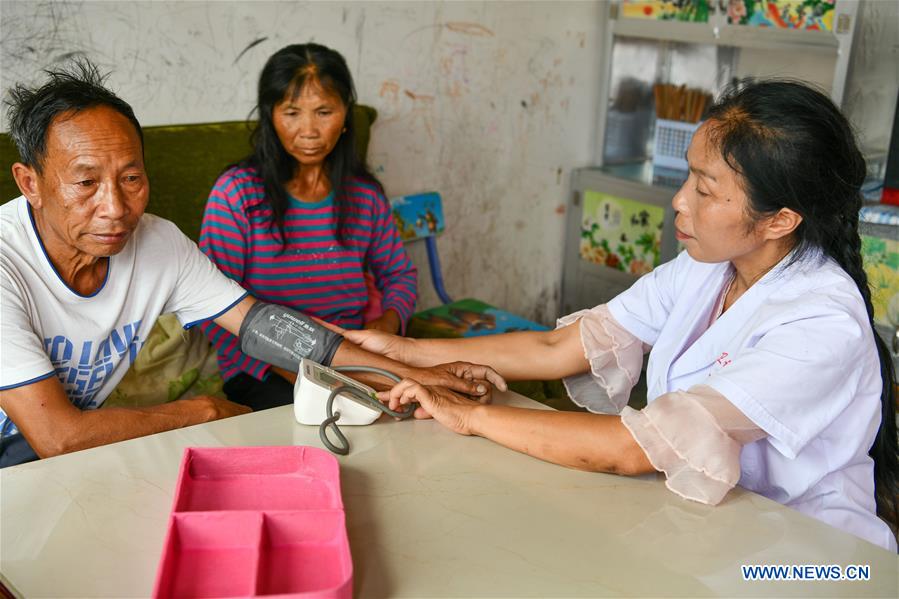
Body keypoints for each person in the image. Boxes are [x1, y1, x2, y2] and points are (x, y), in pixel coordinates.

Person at [341, 80, 899, 551]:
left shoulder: (821, 323)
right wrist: (408, 352)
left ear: (780, 220)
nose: (679, 201)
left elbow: (637, 448)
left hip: (811, 553)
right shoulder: (710, 266)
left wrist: (471, 417)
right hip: (717, 523)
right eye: (688, 178)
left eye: (705, 191)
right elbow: (559, 348)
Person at [0, 60, 501, 468]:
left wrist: (408, 374)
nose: (115, 207)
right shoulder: (7, 261)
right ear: (30, 184)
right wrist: (201, 411)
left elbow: (260, 324)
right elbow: (59, 437)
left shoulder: (158, 242)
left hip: (50, 463)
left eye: (131, 178)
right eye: (86, 183)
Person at [198, 43, 417, 411]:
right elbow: (213, 308)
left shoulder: (365, 196)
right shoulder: (237, 194)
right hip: (263, 368)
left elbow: (400, 274)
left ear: (346, 115)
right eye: (292, 112)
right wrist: (308, 374)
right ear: (271, 116)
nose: (309, 131)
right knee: (325, 427)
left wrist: (387, 327)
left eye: (324, 111)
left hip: (353, 356)